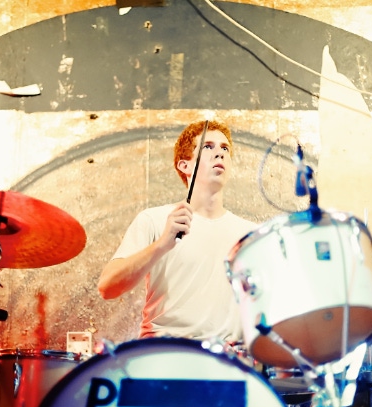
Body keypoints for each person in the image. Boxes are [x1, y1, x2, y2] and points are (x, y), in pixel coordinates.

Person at [97, 120, 257, 343]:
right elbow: (107, 287)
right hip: (164, 353)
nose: (219, 154)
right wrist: (161, 244)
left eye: (225, 148)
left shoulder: (250, 235)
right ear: (184, 165)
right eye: (207, 147)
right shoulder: (154, 219)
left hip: (226, 362)